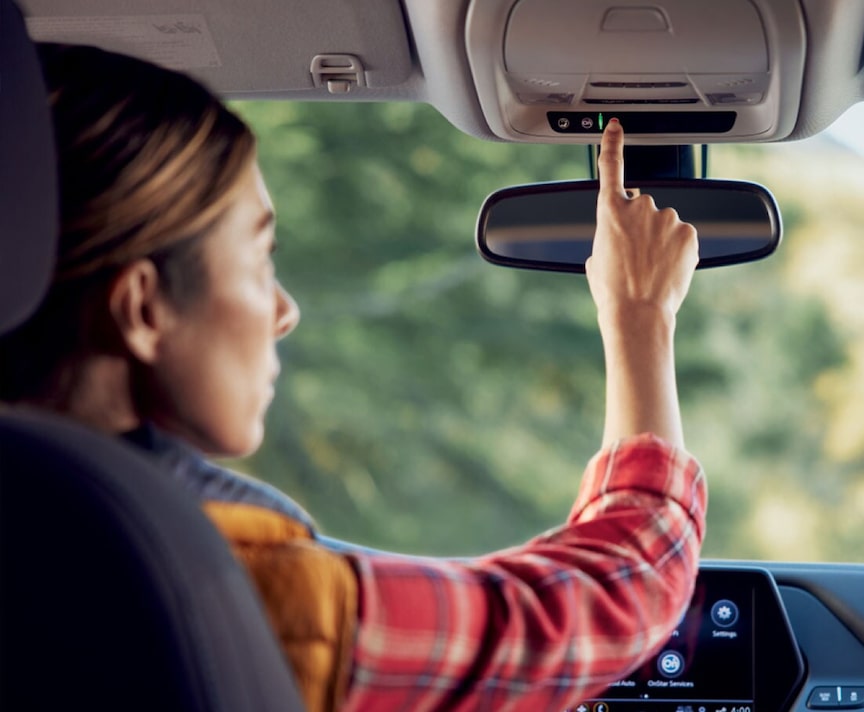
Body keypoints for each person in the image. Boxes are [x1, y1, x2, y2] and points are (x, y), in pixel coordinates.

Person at [0, 43, 705, 712]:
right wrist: (640, 317)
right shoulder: (234, 588)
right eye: (259, 259)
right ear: (143, 308)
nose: (285, 311)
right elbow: (608, 598)